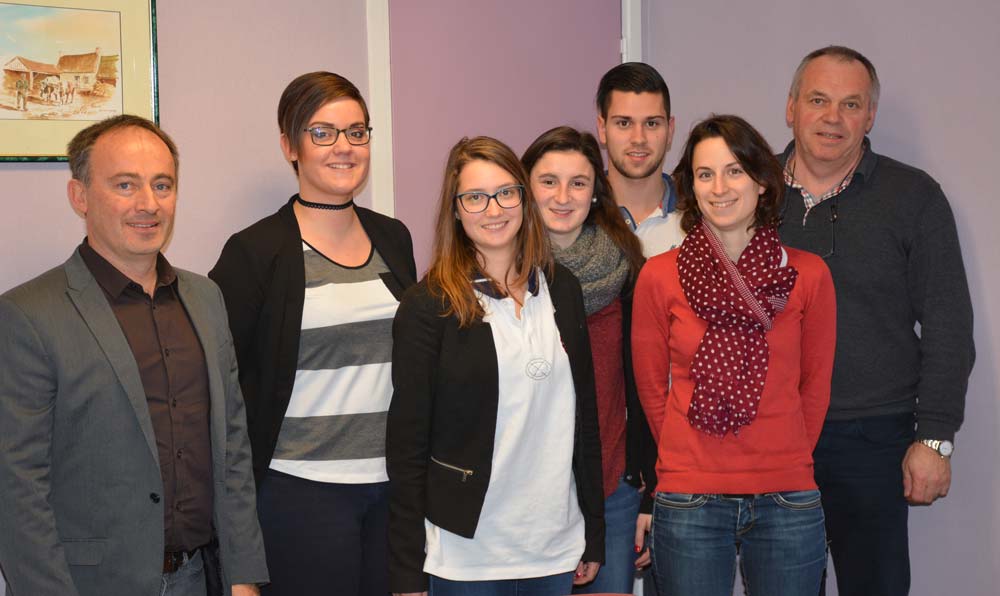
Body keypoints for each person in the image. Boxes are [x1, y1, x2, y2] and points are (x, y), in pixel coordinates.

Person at [0, 114, 268, 596]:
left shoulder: (206, 300)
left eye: (162, 185)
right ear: (79, 197)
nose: (148, 204)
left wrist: (244, 574)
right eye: (125, 185)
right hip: (89, 583)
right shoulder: (27, 315)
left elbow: (232, 450)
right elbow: (16, 489)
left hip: (197, 578)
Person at [209, 72, 417, 596]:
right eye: (322, 133)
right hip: (300, 494)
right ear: (290, 146)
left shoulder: (393, 237)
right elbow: (222, 390)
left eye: (357, 132)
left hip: (391, 490)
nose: (344, 147)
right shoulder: (255, 253)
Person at [778, 46, 975, 596]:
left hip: (872, 437)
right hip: (771, 436)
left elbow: (949, 325)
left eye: (850, 104)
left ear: (870, 116)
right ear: (791, 107)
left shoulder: (913, 197)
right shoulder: (748, 193)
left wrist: (935, 440)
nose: (832, 118)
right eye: (818, 100)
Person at [386, 136, 604, 596]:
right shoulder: (429, 307)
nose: (493, 209)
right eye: (475, 197)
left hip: (554, 544)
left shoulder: (562, 289)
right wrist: (407, 568)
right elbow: (407, 447)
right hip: (468, 553)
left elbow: (584, 421)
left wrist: (594, 534)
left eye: (506, 192)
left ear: (524, 199)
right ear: (456, 210)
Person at [632, 114, 837, 595]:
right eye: (705, 174)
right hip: (689, 497)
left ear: (763, 182)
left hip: (787, 495)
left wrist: (785, 454)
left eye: (734, 171)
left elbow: (816, 385)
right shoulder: (659, 277)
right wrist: (686, 456)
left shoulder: (808, 276)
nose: (719, 187)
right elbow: (649, 386)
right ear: (691, 187)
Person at [521, 126, 652, 594]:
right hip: (522, 495)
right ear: (524, 188)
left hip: (611, 486)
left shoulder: (627, 266)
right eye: (548, 181)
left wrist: (646, 485)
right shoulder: (498, 273)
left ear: (596, 191)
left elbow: (643, 386)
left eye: (578, 182)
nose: (563, 196)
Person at [596, 62, 685, 257]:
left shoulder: (699, 217)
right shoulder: (577, 213)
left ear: (670, 131)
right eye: (624, 123)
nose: (639, 138)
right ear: (602, 129)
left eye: (652, 123)